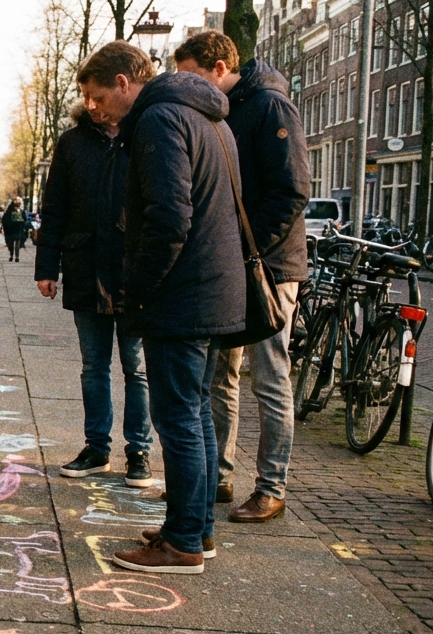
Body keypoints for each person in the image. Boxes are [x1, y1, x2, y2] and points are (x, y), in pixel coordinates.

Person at [109, 68, 247, 575]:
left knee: (179, 418)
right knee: (198, 415)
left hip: (183, 294)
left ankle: (183, 541)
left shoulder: (159, 120)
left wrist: (139, 291)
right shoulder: (210, 119)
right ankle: (196, 528)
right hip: (215, 288)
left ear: (123, 82)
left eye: (96, 95)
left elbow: (169, 215)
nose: (95, 107)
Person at [174, 32, 311, 524]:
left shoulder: (270, 105)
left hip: (271, 267)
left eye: (189, 74)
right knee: (221, 374)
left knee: (270, 375)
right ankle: (220, 476)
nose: (183, 85)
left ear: (216, 67)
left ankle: (272, 487)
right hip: (234, 263)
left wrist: (253, 249)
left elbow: (292, 190)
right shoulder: (222, 110)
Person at [37, 41, 156, 488]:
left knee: (137, 366)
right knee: (92, 365)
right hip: (86, 265)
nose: (91, 106)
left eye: (97, 98)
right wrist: (47, 265)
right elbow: (56, 208)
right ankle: (97, 447)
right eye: (85, 99)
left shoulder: (147, 134)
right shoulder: (71, 143)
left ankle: (139, 451)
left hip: (133, 271)